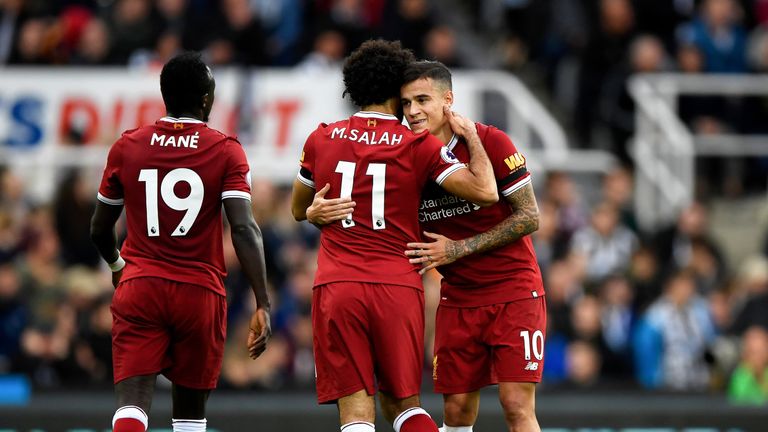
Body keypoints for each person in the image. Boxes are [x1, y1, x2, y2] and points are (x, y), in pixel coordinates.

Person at [309, 60, 546, 432]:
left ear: (447, 100)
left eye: (422, 100)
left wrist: (459, 249)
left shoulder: (492, 141)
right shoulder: (406, 153)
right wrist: (316, 210)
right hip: (457, 297)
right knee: (455, 410)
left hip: (513, 290)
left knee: (515, 405)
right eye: (405, 103)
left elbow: (530, 216)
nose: (413, 111)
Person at [90, 52, 271, 432]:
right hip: (199, 293)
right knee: (190, 417)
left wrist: (117, 266)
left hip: (140, 286)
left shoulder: (128, 146)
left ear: (165, 95)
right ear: (207, 100)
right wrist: (262, 301)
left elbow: (99, 228)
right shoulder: (226, 150)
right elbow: (243, 229)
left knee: (132, 406)